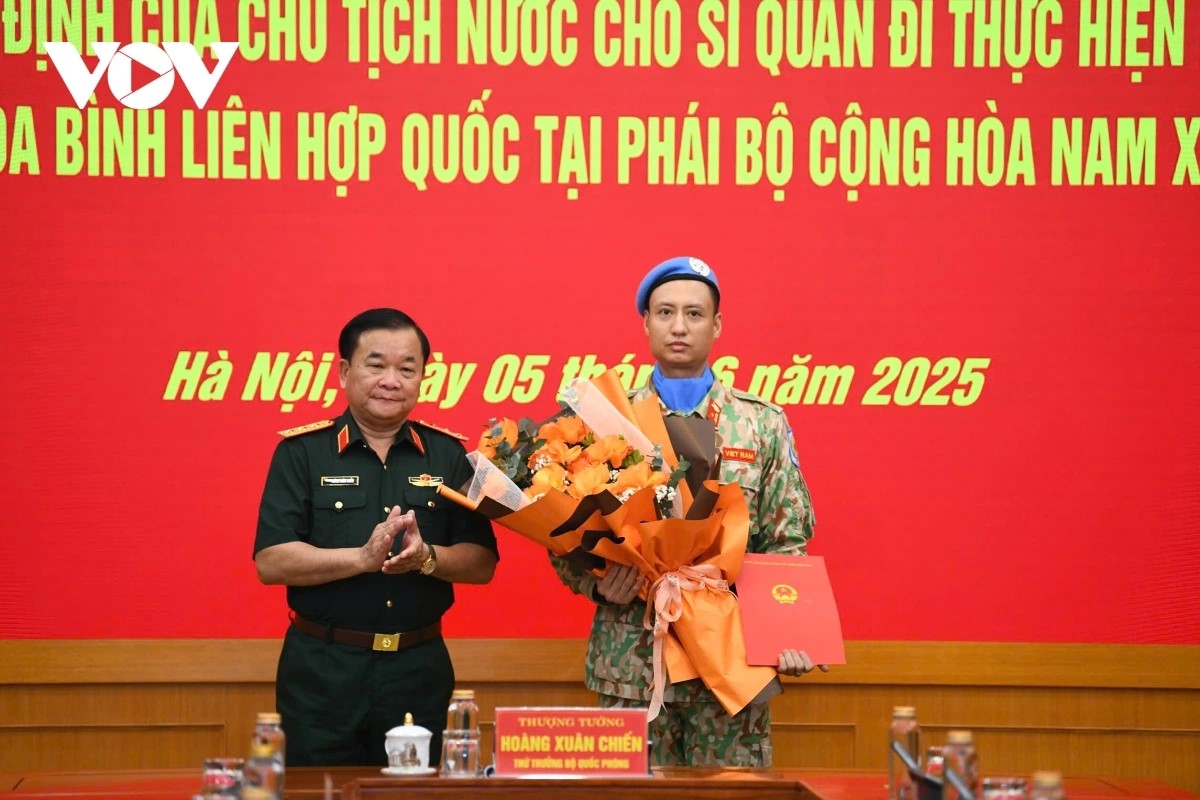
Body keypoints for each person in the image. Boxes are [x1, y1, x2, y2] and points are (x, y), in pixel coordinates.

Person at [552, 256, 825, 767]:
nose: (679, 326)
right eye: (666, 312)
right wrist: (596, 583)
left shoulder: (760, 423)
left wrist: (788, 632)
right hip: (631, 665)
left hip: (730, 662)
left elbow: (784, 543)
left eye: (694, 314)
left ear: (717, 325)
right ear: (646, 323)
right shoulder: (604, 420)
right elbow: (562, 530)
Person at [253, 308, 499, 767]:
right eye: (376, 364)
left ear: (423, 377)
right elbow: (271, 561)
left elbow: (482, 562)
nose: (391, 380)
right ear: (345, 371)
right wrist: (360, 559)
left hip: (418, 669)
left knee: (417, 793)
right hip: (322, 671)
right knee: (319, 792)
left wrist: (427, 557)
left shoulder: (448, 455)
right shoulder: (301, 453)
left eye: (407, 369)